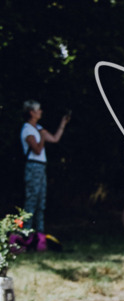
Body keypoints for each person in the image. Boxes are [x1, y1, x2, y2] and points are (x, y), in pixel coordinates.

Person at [21, 100, 70, 237]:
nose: (41, 111)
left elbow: (54, 139)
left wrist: (63, 124)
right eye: (38, 109)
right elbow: (37, 150)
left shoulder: (39, 128)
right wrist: (41, 137)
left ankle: (39, 235)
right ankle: (26, 235)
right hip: (33, 166)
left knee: (41, 201)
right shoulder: (27, 129)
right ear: (31, 112)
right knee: (32, 201)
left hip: (41, 167)